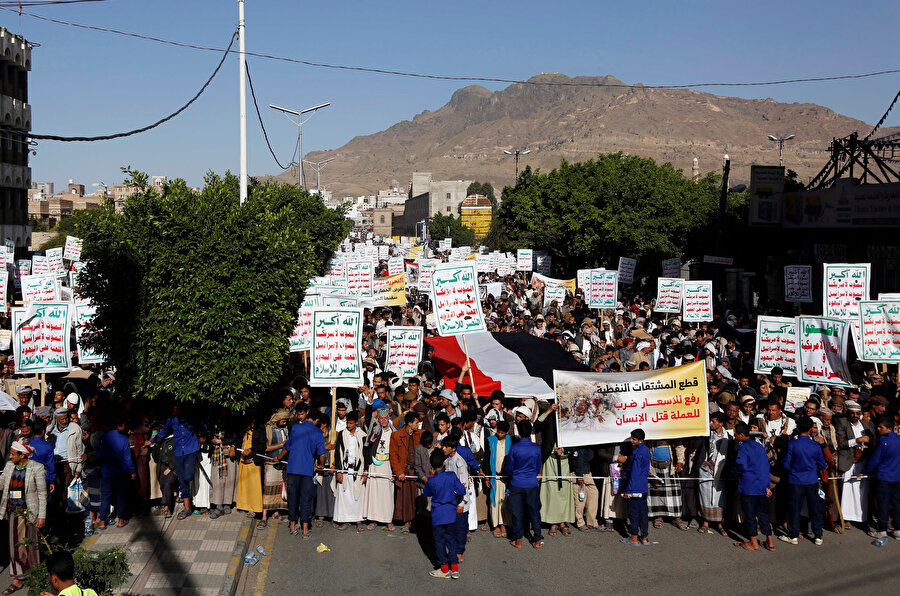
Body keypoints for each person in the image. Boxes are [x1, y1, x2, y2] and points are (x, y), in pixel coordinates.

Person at [0, 440, 47, 595]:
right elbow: (2, 483)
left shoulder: (36, 468)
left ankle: (35, 578)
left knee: (31, 547)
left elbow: (42, 494)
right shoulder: (9, 466)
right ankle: (17, 578)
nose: (10, 456)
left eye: (13, 454)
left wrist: (41, 516)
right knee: (14, 548)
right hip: (13, 513)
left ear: (22, 455)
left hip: (29, 514)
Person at [275, 403, 327, 539]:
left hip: (293, 469)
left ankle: (292, 525)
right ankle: (305, 529)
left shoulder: (296, 428)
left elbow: (287, 447)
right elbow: (322, 454)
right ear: (315, 420)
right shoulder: (318, 432)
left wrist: (279, 458)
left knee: (293, 499)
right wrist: (321, 464)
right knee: (306, 500)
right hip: (307, 471)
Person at [780, 417, 826, 546]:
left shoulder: (792, 444)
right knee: (814, 508)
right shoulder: (815, 446)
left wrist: (794, 469)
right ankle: (818, 535)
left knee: (794, 508)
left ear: (798, 428)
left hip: (795, 480)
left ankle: (793, 535)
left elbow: (785, 464)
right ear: (810, 429)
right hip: (811, 480)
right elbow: (822, 464)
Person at [149, 404, 200, 520]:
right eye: (172, 408)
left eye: (175, 408)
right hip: (178, 452)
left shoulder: (190, 417)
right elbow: (164, 432)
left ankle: (188, 500)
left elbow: (201, 425)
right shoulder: (171, 419)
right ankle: (187, 507)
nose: (173, 410)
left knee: (188, 476)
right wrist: (152, 441)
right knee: (182, 480)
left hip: (190, 449)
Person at [423, 449, 466, 579]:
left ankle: (444, 569)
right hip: (451, 514)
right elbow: (462, 490)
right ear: (444, 462)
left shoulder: (432, 480)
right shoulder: (451, 476)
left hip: (438, 515)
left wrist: (431, 477)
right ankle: (455, 569)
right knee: (451, 541)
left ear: (432, 465)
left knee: (440, 542)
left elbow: (427, 492)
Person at [732, 422, 775, 551]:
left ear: (741, 435)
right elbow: (766, 466)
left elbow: (742, 466)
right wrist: (767, 485)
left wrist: (734, 471)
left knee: (750, 515)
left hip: (749, 486)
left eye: (735, 434)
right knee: (763, 514)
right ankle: (770, 542)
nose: (734, 436)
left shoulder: (743, 448)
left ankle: (753, 542)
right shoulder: (759, 446)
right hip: (762, 485)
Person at [835, 400, 875, 527]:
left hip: (863, 460)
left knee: (861, 489)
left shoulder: (865, 425)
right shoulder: (842, 423)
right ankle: (846, 518)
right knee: (848, 489)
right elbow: (841, 443)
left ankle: (861, 517)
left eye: (858, 414)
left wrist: (866, 446)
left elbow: (872, 441)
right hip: (849, 460)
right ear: (848, 413)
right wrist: (857, 440)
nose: (855, 416)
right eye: (852, 413)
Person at [504, 419, 543, 549]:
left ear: (519, 432)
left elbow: (509, 467)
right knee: (534, 511)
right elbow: (538, 467)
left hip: (516, 482)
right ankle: (537, 539)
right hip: (531, 483)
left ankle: (518, 540)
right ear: (531, 431)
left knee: (517, 512)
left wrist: (514, 474)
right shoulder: (536, 448)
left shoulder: (514, 448)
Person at [864, 415, 900, 546]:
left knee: (883, 504)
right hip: (897, 477)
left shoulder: (884, 442)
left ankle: (882, 531)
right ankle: (898, 530)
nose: (878, 429)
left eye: (881, 427)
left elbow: (875, 459)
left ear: (889, 428)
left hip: (884, 477)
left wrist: (865, 471)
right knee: (897, 504)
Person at [97, 416, 135, 529]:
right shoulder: (124, 439)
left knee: (105, 496)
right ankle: (121, 520)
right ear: (119, 426)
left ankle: (102, 521)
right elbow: (127, 458)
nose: (125, 426)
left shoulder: (103, 438)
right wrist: (132, 471)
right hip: (121, 472)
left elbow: (99, 455)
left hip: (107, 472)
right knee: (120, 496)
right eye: (123, 425)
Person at [332, 411, 367, 531]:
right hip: (345, 470)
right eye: (347, 423)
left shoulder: (362, 435)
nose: (348, 425)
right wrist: (339, 471)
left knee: (358, 496)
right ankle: (345, 520)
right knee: (345, 496)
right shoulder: (342, 434)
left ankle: (359, 520)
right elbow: (338, 454)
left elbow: (365, 454)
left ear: (356, 422)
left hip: (358, 470)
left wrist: (365, 471)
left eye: (351, 423)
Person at [389, 412, 423, 532]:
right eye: (416, 423)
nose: (418, 425)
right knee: (405, 498)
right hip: (404, 470)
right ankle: (406, 522)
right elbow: (393, 455)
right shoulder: (396, 435)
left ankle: (416, 521)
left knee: (416, 497)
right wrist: (399, 472)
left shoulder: (420, 434)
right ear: (409, 423)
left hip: (416, 471)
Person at [618, 429, 650, 546]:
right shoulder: (646, 450)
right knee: (643, 513)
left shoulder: (637, 453)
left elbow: (635, 473)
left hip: (635, 487)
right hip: (643, 486)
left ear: (640, 440)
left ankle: (634, 538)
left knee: (634, 513)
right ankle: (644, 537)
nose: (631, 441)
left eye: (634, 439)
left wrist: (628, 490)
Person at [440, 436, 470, 562]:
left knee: (460, 529)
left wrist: (461, 504)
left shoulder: (460, 463)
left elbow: (464, 485)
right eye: (443, 446)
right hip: (451, 501)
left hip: (460, 501)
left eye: (446, 446)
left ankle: (460, 552)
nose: (443, 448)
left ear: (453, 448)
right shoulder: (447, 460)